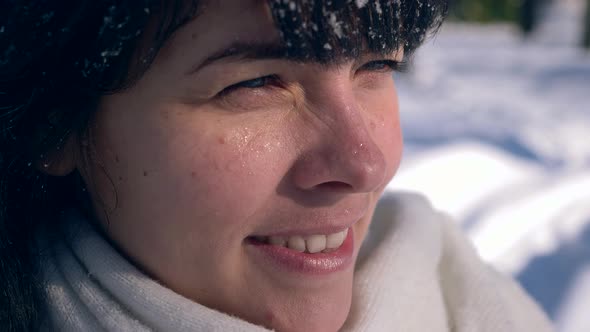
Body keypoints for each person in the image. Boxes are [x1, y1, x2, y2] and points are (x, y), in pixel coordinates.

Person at [0, 1, 553, 331]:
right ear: (55, 121)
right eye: (256, 83)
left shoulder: (472, 303)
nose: (365, 163)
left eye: (378, 65)